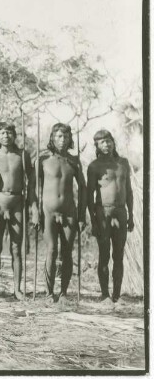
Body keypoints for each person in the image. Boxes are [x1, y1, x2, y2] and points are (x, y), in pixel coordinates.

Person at [37, 123, 86, 305]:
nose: (62, 140)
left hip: (69, 212)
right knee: (51, 250)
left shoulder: (74, 161)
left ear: (70, 139)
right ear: (52, 138)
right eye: (58, 136)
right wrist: (35, 212)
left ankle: (64, 292)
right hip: (48, 211)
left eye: (65, 137)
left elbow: (83, 189)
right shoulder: (42, 159)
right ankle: (49, 293)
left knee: (67, 252)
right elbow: (34, 189)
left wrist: (82, 215)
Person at [0, 122, 35, 300]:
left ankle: (17, 288)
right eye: (2, 133)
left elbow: (32, 180)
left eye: (9, 132)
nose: (6, 135)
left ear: (14, 135)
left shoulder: (23, 155)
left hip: (17, 202)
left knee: (16, 248)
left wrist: (31, 203)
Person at [86, 129, 134, 304]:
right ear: (97, 146)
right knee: (104, 254)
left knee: (119, 255)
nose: (106, 144)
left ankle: (117, 295)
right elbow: (89, 195)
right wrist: (93, 220)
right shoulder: (94, 166)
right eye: (101, 142)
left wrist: (131, 215)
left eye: (108, 141)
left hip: (121, 211)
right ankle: (105, 294)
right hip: (103, 212)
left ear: (113, 142)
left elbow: (128, 191)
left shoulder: (124, 163)